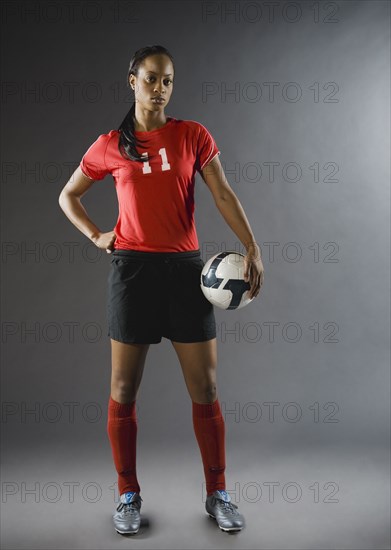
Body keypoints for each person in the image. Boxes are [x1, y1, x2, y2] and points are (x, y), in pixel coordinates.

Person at [58, 44, 264, 535]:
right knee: (123, 390)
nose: (160, 88)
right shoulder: (109, 144)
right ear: (132, 80)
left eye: (167, 80)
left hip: (186, 275)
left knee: (207, 388)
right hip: (132, 274)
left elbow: (222, 192)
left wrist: (251, 246)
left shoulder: (192, 135)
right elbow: (68, 196)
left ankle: (218, 493)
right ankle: (127, 494)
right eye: (151, 78)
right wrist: (96, 234)